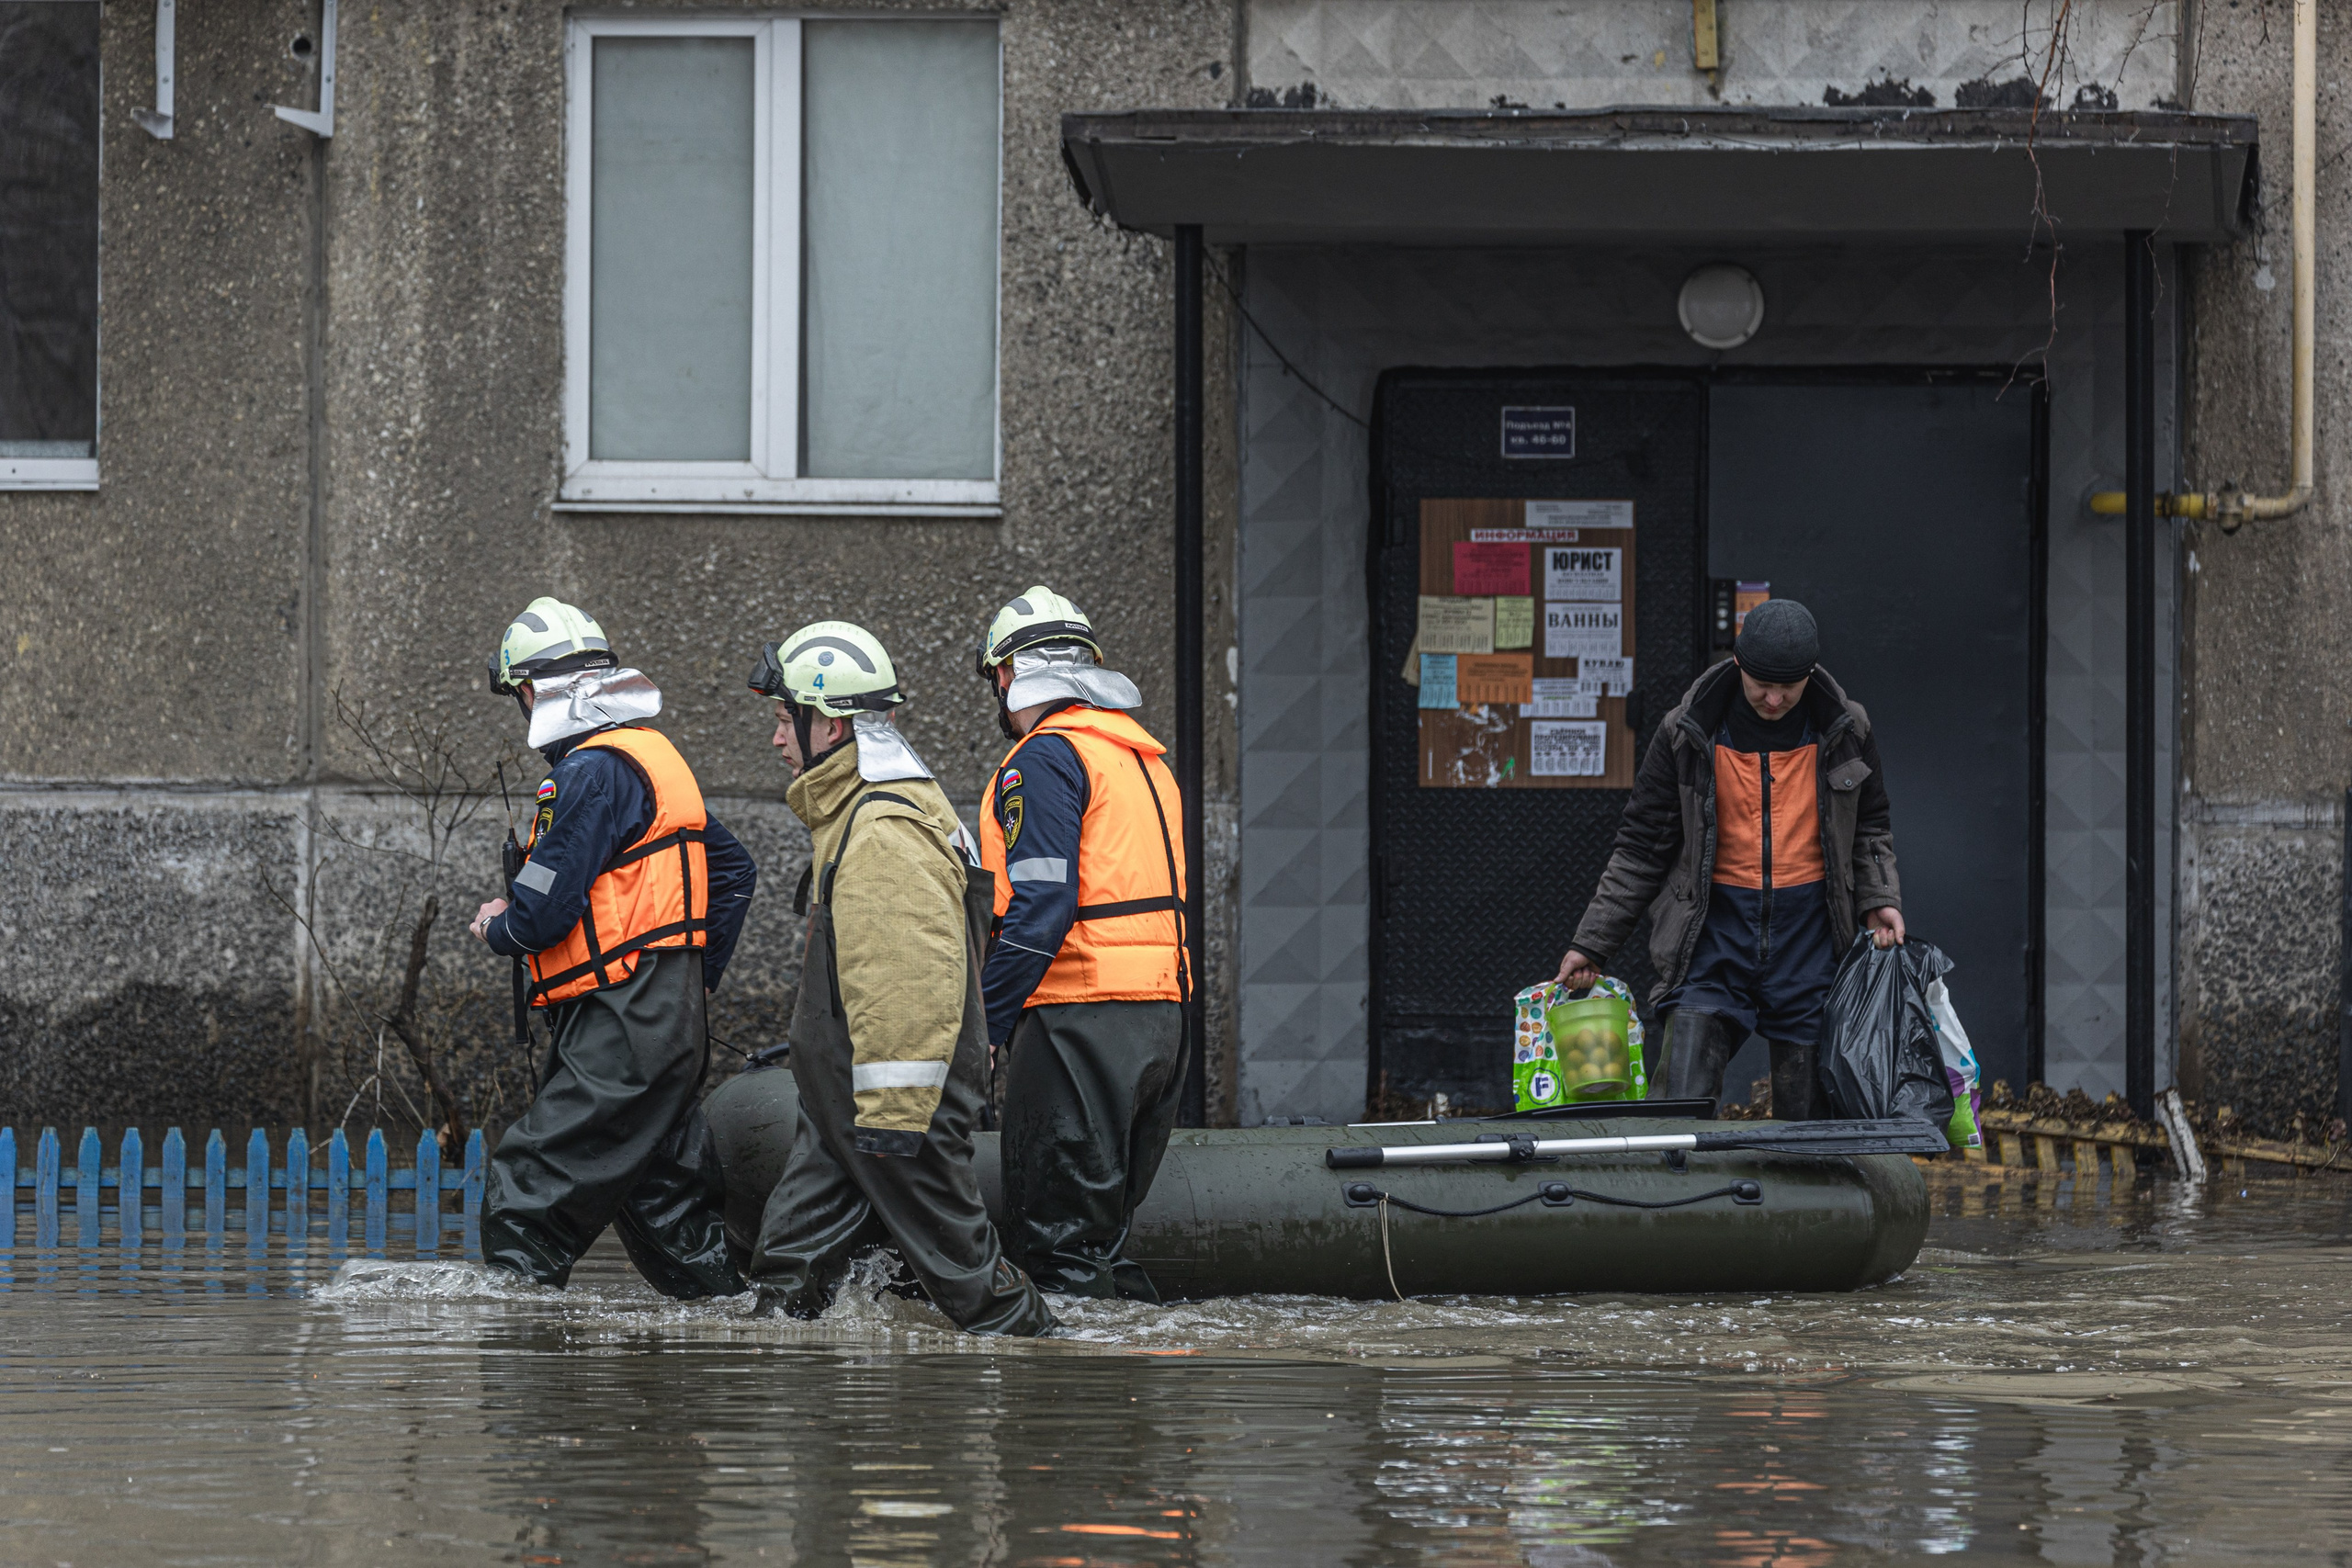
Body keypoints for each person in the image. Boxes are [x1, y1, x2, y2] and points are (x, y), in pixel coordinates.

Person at [741, 621, 1054, 1337]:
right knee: (789, 1271)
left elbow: (909, 983)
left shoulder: (882, 828)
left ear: (832, 725)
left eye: (786, 719)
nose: (777, 737)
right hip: (850, 1104)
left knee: (973, 1286)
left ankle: (1061, 1378)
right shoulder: (861, 809)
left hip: (891, 1112)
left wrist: (893, 1120)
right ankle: (782, 1386)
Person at [469, 596, 756, 1297]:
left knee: (526, 1194)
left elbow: (540, 916)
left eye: (522, 692)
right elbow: (735, 871)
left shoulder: (588, 774)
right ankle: (750, 1339)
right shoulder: (651, 759)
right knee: (668, 1213)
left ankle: (520, 1377)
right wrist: (691, 981)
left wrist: (495, 924)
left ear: (534, 690)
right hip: (665, 1022)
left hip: (621, 1023)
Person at [1555, 598, 1903, 1117]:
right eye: (1761, 682)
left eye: (1788, 685)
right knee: (1679, 1106)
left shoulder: (1847, 729)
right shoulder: (1686, 732)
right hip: (1712, 938)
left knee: (1812, 1126)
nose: (1773, 698)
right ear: (1738, 664)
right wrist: (1592, 942)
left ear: (1810, 673)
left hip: (1810, 940)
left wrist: (1879, 899)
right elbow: (1640, 847)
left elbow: (1870, 828)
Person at [974, 587, 1188, 1302]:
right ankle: (1126, 1401)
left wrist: (986, 1024)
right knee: (1101, 1241)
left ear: (1006, 675)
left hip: (1080, 1015)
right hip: (1161, 1020)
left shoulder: (1044, 759)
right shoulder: (1143, 761)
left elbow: (1042, 905)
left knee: (1057, 1248)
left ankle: (1068, 1412)